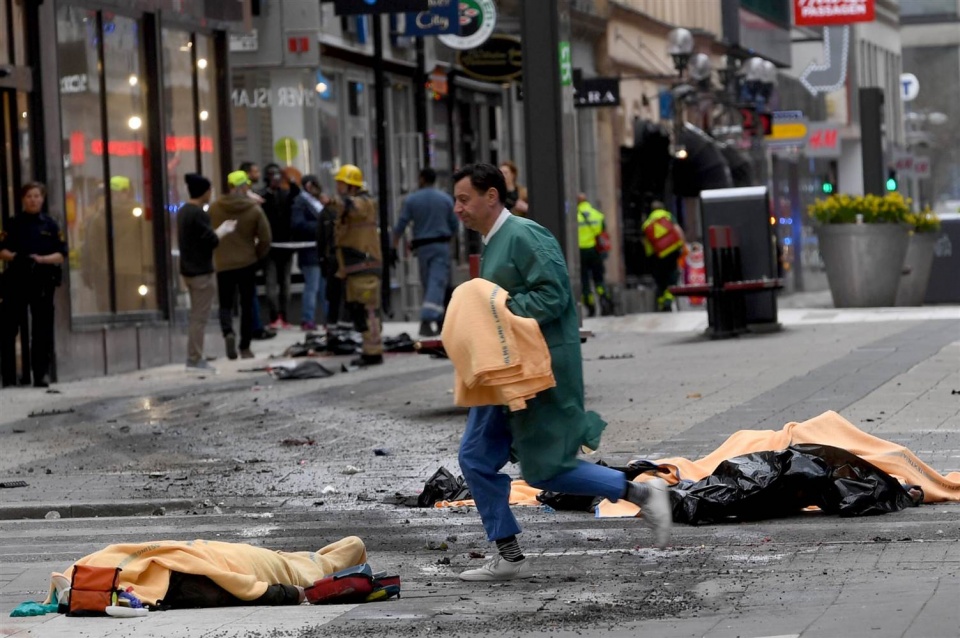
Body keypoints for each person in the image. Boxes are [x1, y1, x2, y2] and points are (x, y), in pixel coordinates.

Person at [450, 163, 671, 581]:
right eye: (457, 200)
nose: (458, 208)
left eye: (464, 199)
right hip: (508, 373)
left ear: (491, 195)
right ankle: (509, 555)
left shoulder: (523, 235)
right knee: (476, 458)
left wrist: (497, 313)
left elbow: (554, 294)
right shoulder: (495, 241)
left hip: (537, 373)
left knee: (545, 468)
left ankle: (641, 492)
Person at [0, 182, 67, 388]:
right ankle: (9, 375)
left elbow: (61, 255)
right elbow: (1, 250)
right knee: (9, 329)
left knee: (42, 330)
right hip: (16, 282)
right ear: (23, 199)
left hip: (43, 283)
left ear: (43, 198)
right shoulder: (13, 224)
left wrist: (42, 259)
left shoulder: (51, 225)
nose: (33, 200)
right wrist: (16, 257)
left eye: (37, 196)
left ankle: (41, 374)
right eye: (29, 196)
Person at [209, 170, 272, 360]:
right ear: (244, 186)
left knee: (226, 303)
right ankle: (245, 346)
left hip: (223, 263)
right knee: (246, 304)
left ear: (229, 186)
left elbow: (209, 233)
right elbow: (265, 237)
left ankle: (228, 331)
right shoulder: (253, 209)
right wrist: (257, 254)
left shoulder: (215, 208)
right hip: (247, 262)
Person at [177, 174, 236, 371]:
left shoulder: (183, 211)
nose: (211, 194)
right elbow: (211, 240)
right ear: (204, 192)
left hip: (188, 270)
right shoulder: (199, 214)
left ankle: (195, 354)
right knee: (199, 317)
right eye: (209, 190)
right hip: (201, 271)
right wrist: (223, 230)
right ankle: (194, 358)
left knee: (196, 314)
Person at [391, 167, 460, 337]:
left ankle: (436, 319)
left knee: (428, 283)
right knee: (437, 282)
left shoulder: (412, 200)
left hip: (422, 249)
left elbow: (400, 225)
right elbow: (455, 225)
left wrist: (393, 246)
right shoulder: (445, 199)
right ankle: (428, 319)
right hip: (440, 246)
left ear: (421, 179)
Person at [331, 164, 383, 366]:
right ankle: (369, 349)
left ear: (351, 186)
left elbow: (354, 207)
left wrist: (330, 201)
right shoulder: (353, 205)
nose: (337, 187)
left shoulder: (363, 203)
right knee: (359, 310)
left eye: (341, 183)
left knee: (367, 310)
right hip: (356, 266)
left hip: (364, 265)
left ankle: (373, 352)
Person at [238, 161, 275, 342]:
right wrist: (260, 252)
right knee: (248, 294)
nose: (257, 173)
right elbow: (264, 234)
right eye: (254, 171)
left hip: (232, 257)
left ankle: (240, 329)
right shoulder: (251, 202)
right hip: (246, 254)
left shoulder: (224, 205)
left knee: (241, 295)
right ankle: (255, 328)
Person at [258, 163, 294, 330]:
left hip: (285, 245)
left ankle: (284, 315)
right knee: (271, 283)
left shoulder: (285, 195)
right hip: (270, 247)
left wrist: (290, 180)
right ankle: (274, 316)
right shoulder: (263, 197)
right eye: (273, 177)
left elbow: (296, 194)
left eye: (279, 177)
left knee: (285, 284)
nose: (276, 180)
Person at [290, 174, 329, 331]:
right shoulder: (300, 203)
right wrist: (321, 226)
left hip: (321, 251)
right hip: (309, 252)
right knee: (312, 287)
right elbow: (298, 224)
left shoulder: (317, 201)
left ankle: (328, 319)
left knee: (324, 288)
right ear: (308, 186)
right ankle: (307, 319)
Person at [642, 201, 685, 312]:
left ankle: (662, 303)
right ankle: (668, 299)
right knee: (673, 276)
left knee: (660, 279)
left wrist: (650, 257)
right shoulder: (667, 216)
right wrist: (682, 246)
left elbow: (646, 244)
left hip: (658, 255)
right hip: (672, 251)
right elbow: (677, 230)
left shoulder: (647, 223)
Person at [576, 193, 613, 317]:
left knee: (584, 280)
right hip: (595, 251)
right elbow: (604, 233)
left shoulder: (574, 216)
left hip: (581, 252)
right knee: (599, 278)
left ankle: (589, 303)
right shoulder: (597, 215)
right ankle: (603, 297)